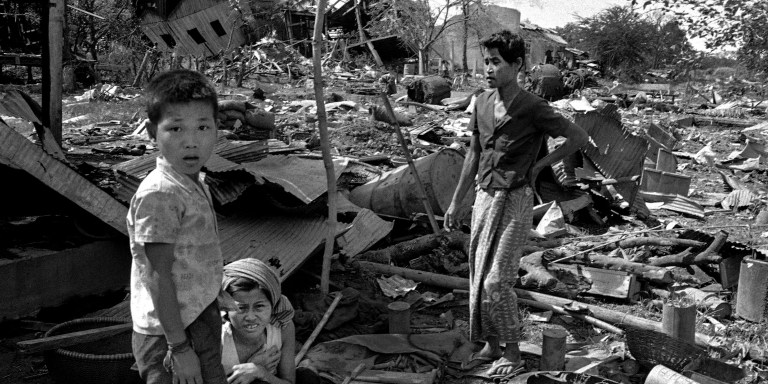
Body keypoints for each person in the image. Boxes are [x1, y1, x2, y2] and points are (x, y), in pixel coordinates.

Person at [443, 30, 588, 376]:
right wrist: (454, 203)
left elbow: (578, 137)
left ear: (517, 64)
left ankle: (512, 352)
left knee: (498, 280)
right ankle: (490, 345)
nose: (488, 69)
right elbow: (472, 156)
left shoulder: (533, 107)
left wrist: (539, 167)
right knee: (479, 276)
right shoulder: (480, 102)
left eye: (496, 62)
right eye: (487, 61)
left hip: (516, 200)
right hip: (484, 197)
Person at [127, 69, 225, 384]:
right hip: (170, 333)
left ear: (216, 129)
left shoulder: (193, 181)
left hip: (197, 317)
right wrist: (180, 348)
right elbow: (156, 274)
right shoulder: (160, 194)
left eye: (202, 126)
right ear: (151, 132)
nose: (191, 141)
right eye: (176, 128)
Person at [219, 258, 298, 384]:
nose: (250, 317)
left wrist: (260, 372)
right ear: (227, 308)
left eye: (259, 306)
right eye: (241, 308)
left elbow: (289, 381)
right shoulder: (217, 339)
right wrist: (251, 364)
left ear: (273, 306)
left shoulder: (283, 329)